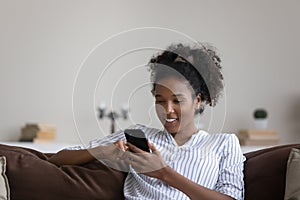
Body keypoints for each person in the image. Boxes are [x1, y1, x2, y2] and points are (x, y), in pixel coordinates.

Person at [49, 43, 245, 200]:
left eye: (177, 101)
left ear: (198, 101)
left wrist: (164, 172)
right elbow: (58, 159)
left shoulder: (224, 144)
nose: (167, 110)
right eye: (160, 101)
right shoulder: (138, 135)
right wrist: (103, 151)